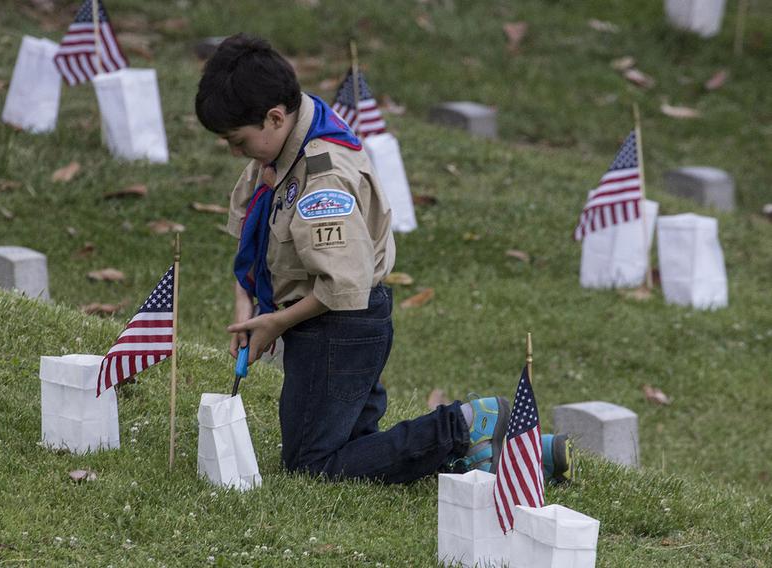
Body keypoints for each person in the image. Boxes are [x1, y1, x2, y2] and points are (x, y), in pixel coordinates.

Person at [195, 33, 572, 484]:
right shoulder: (283, 142)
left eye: (238, 141)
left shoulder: (322, 180)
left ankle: (467, 424)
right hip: (333, 326)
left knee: (311, 466)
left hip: (337, 327)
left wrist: (275, 322)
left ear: (275, 117)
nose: (236, 153)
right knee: (356, 450)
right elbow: (251, 236)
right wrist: (247, 309)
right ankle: (507, 455)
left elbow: (344, 287)